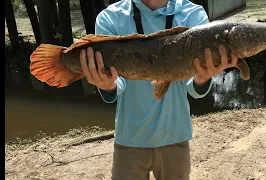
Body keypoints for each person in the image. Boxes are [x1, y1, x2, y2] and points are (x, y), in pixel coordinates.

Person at [79, 0, 238, 179]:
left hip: (175, 138)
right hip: (129, 140)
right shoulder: (111, 17)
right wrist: (106, 84)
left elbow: (193, 88)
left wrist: (203, 77)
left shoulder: (193, 14)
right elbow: (117, 87)